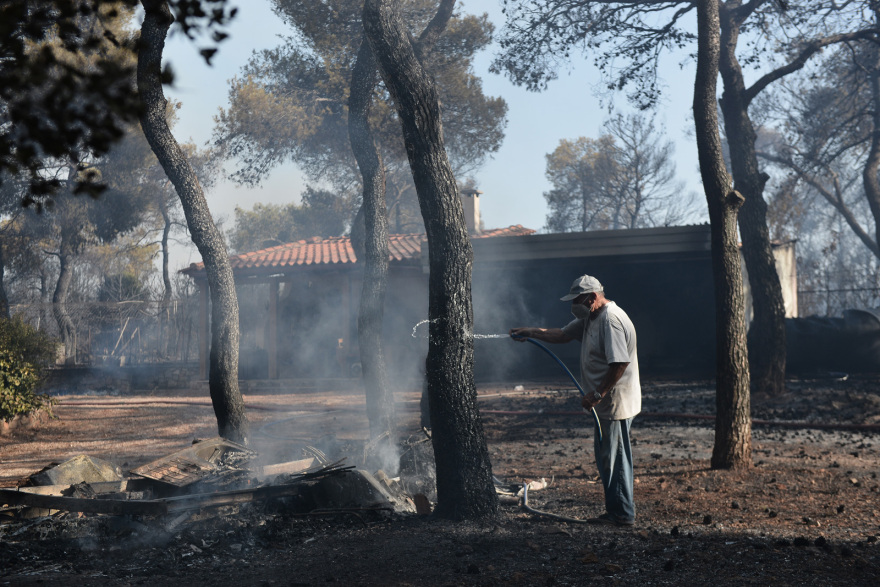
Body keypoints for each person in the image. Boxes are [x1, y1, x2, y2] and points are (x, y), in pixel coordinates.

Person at [510, 274, 641, 526]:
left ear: (592, 298)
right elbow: (561, 335)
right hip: (603, 403)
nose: (574, 306)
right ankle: (616, 510)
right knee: (607, 459)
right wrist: (531, 332)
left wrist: (597, 394)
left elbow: (620, 362)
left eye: (577, 300)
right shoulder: (591, 316)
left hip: (615, 402)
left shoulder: (610, 320)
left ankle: (623, 514)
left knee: (616, 459)